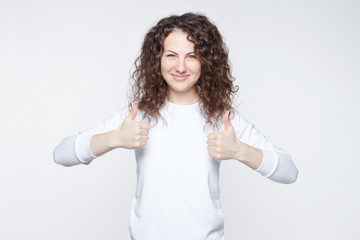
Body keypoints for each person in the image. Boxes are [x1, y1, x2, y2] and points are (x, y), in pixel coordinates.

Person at [53, 12, 298, 240]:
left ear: (206, 62)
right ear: (157, 60)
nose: (180, 67)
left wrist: (241, 151)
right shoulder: (138, 115)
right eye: (171, 55)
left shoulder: (223, 119)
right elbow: (61, 154)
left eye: (192, 56)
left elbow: (289, 172)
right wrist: (114, 138)